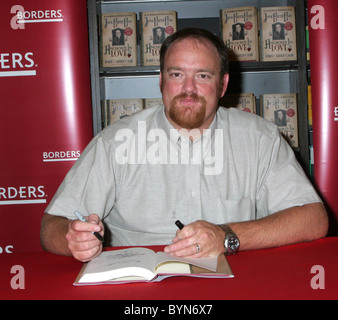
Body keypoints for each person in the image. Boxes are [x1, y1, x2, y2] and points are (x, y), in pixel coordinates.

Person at [40, 28, 328, 262]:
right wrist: (72, 237)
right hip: (140, 292)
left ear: (223, 84)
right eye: (177, 74)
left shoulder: (260, 138)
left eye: (203, 76)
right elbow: (51, 225)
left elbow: (313, 218)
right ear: (161, 80)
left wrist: (226, 235)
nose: (189, 89)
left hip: (236, 285)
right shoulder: (115, 142)